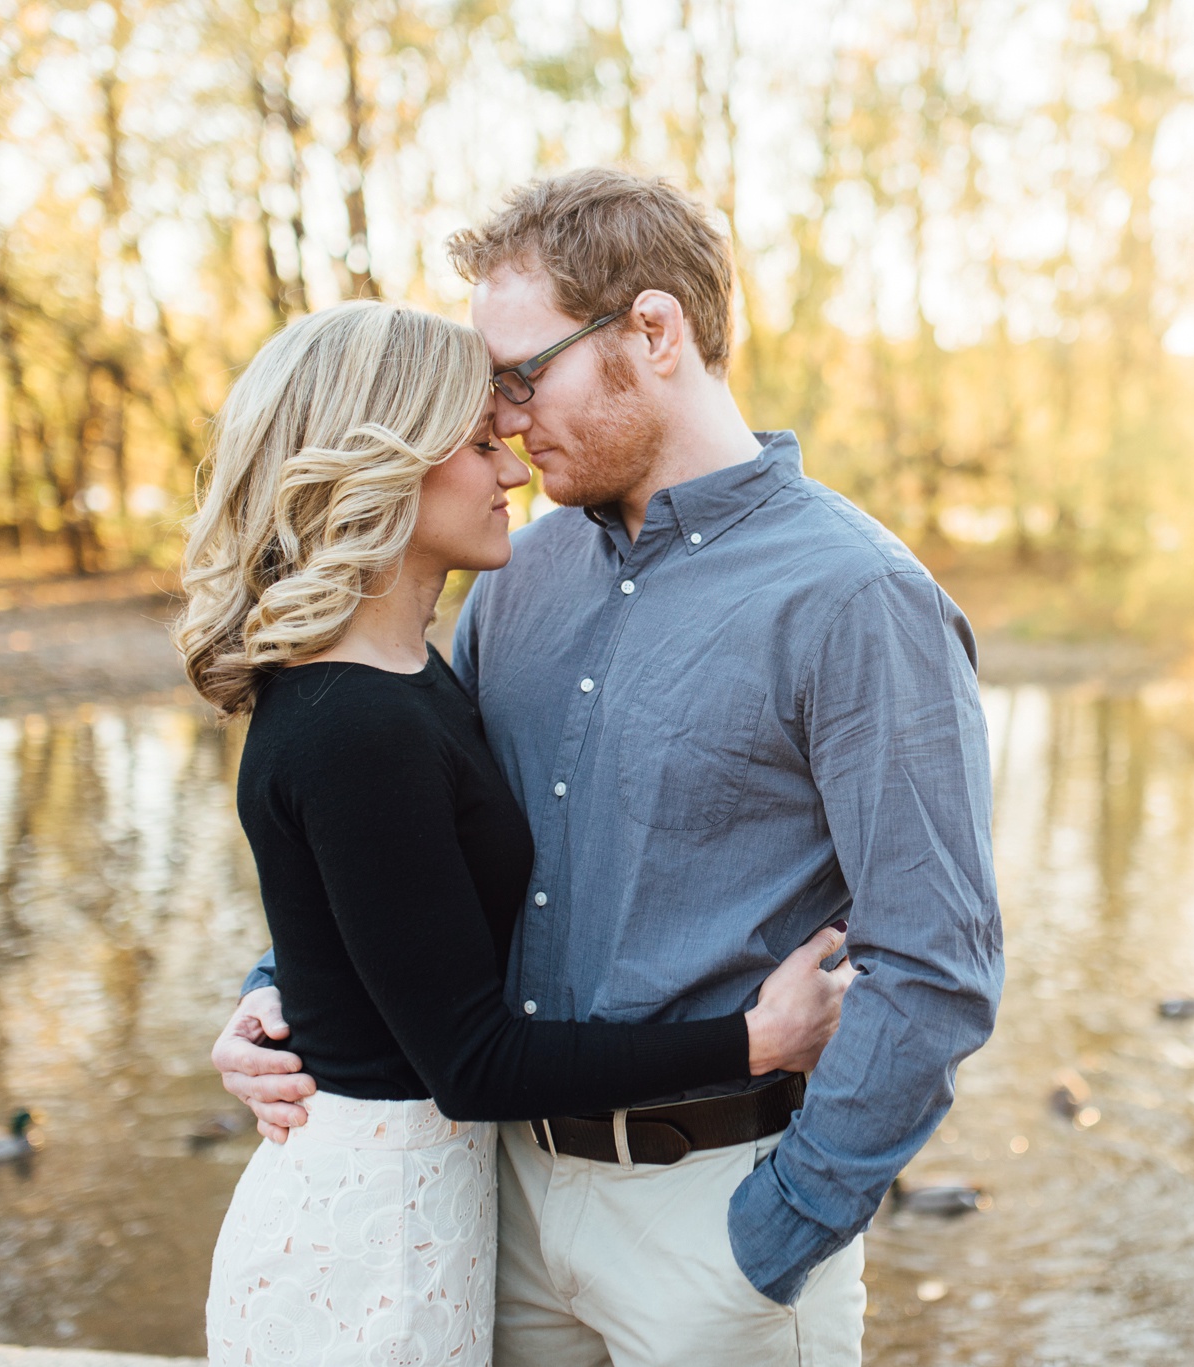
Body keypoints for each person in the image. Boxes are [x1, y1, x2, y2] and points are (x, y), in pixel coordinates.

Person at [212, 168, 1004, 1366]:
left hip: (714, 1225)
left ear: (652, 330)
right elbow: (405, 837)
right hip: (494, 1202)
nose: (509, 417)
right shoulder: (515, 579)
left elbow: (937, 963)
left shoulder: (856, 598)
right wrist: (277, 991)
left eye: (525, 374)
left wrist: (776, 1232)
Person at [174, 298, 853, 1367]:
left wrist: (282, 986)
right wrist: (751, 1041)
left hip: (439, 1204)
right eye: (482, 443)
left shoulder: (411, 675)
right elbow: (474, 1061)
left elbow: (401, 904)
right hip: (370, 1242)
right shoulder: (355, 719)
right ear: (384, 466)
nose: (513, 470)